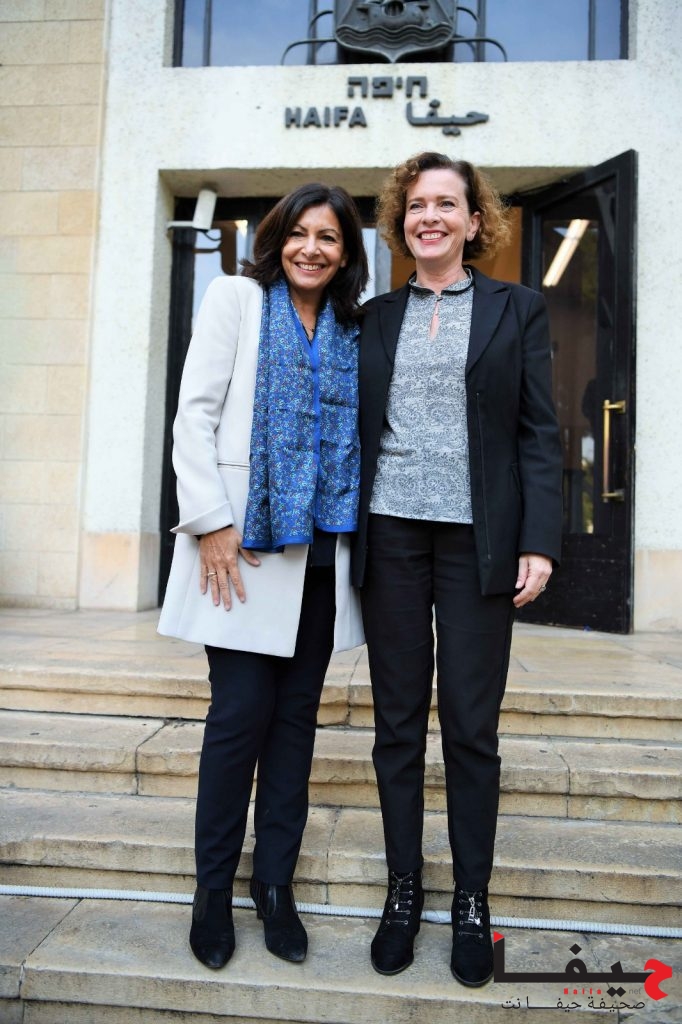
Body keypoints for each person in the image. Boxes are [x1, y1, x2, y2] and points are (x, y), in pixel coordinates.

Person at [351, 152, 562, 986]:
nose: (430, 216)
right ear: (400, 220)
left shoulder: (518, 308)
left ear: (476, 222)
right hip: (392, 536)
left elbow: (538, 432)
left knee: (472, 727)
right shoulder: (372, 316)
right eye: (417, 204)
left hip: (481, 542)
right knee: (398, 724)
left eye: (447, 204)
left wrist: (539, 540)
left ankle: (471, 897)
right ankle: (404, 889)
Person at [159, 183, 368, 970]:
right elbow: (194, 415)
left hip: (320, 557)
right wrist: (211, 520)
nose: (312, 248)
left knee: (294, 728)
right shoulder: (236, 299)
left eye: (329, 237)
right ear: (278, 239)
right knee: (239, 719)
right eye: (300, 233)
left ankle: (273, 886)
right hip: (243, 552)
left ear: (346, 254)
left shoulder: (352, 325)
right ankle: (212, 891)